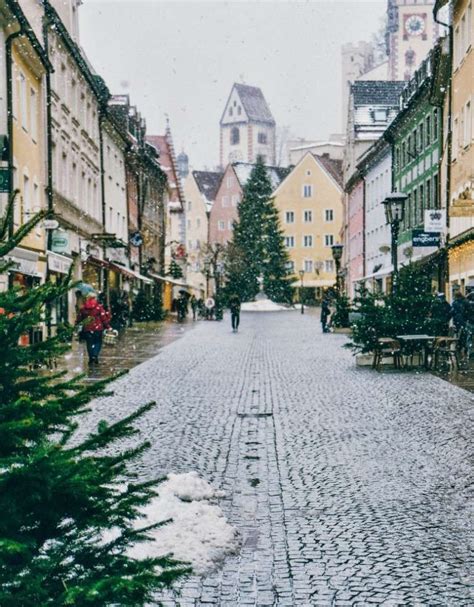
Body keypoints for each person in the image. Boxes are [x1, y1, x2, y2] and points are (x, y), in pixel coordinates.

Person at [76, 292, 111, 365]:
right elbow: (103, 318)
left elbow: (79, 318)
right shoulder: (99, 307)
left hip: (87, 328)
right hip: (98, 328)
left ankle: (91, 357)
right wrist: (108, 327)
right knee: (98, 342)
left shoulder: (83, 308)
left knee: (89, 343)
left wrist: (77, 326)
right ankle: (95, 355)